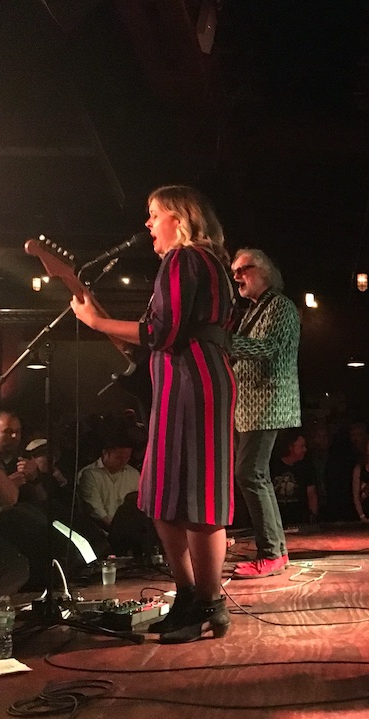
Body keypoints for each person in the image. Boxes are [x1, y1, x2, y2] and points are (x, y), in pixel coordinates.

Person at [70, 184, 236, 644]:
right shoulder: (211, 265)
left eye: (154, 214)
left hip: (194, 382)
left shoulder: (184, 260)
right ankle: (190, 597)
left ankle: (208, 601)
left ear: (179, 219)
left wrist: (98, 322)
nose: (147, 224)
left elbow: (161, 331)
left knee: (197, 497)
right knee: (163, 495)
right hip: (185, 380)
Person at [227, 248, 302, 580]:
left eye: (244, 269)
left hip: (267, 403)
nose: (237, 276)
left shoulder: (282, 306)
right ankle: (277, 552)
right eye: (235, 271)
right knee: (255, 475)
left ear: (266, 271)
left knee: (248, 473)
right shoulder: (255, 309)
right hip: (251, 406)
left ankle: (271, 553)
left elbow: (268, 348)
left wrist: (222, 342)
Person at [271, 428, 319, 528]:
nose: (305, 449)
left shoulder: (307, 467)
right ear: (290, 447)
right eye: (302, 446)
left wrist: (313, 518)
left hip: (300, 519)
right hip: (277, 519)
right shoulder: (272, 466)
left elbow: (311, 495)